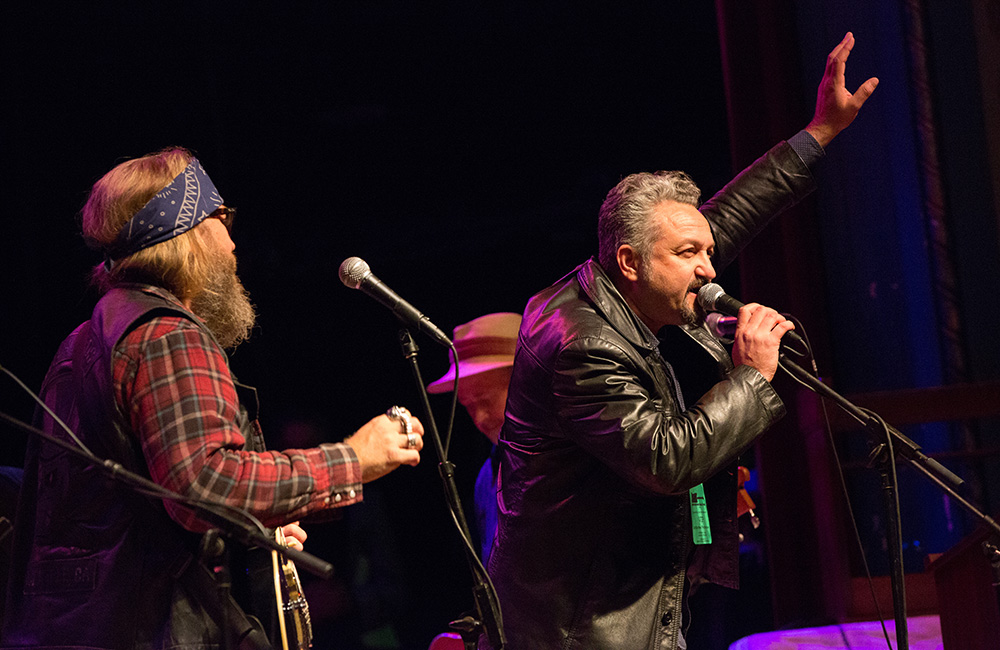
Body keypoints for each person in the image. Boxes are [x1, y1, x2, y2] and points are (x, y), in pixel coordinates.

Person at [485, 32, 878, 649]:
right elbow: (666, 460)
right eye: (689, 253)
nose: (709, 269)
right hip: (580, 630)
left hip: (628, 603)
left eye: (707, 253)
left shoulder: (638, 280)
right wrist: (749, 379)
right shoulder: (585, 343)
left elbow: (726, 216)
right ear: (631, 261)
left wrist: (820, 132)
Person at [0, 148, 425, 649]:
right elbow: (205, 483)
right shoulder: (166, 334)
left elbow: (121, 504)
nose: (232, 243)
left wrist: (250, 522)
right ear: (188, 233)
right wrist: (354, 459)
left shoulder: (83, 342)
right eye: (222, 218)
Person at [427, 312, 521, 564]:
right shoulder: (486, 481)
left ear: (526, 382)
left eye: (487, 400)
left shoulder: (582, 453)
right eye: (467, 404)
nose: (479, 418)